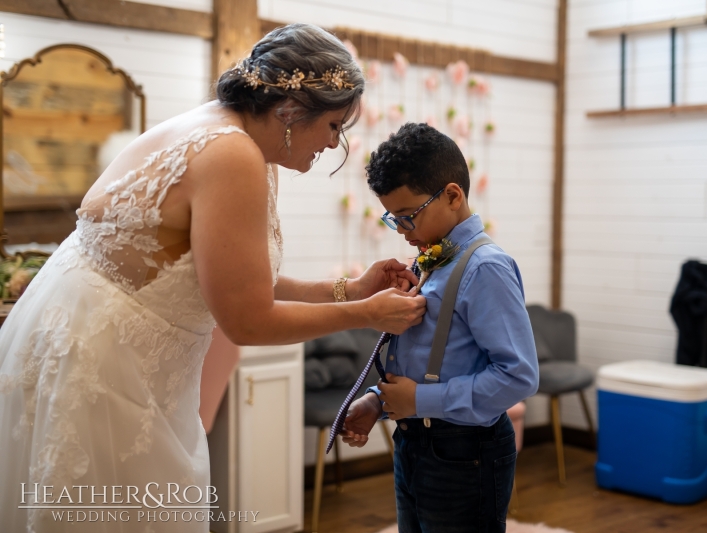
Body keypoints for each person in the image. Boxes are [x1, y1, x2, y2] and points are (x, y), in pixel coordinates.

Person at [0, 24, 425, 532]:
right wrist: (365, 314)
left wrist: (350, 289)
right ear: (290, 113)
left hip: (97, 341)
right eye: (335, 125)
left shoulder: (232, 138)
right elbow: (247, 320)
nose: (335, 144)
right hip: (107, 361)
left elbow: (235, 277)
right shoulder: (232, 155)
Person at [341, 123, 539, 533]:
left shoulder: (485, 267)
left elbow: (518, 376)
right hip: (415, 443)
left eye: (408, 217)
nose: (402, 231)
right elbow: (432, 358)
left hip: (466, 452)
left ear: (453, 196)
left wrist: (420, 402)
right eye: (393, 220)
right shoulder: (431, 260)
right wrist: (379, 399)